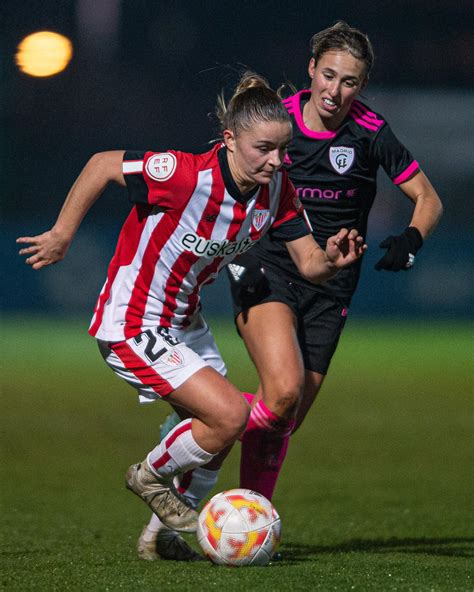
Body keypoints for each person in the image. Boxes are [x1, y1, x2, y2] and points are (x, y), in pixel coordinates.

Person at [17, 72, 367, 560]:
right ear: (229, 140)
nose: (277, 161)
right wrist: (61, 233)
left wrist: (334, 259)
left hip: (184, 322)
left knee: (218, 434)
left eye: (283, 150)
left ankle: (160, 537)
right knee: (230, 415)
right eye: (264, 149)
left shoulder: (276, 190)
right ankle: (147, 476)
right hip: (134, 320)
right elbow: (101, 165)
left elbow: (309, 263)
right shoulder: (182, 174)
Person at [149, 21, 444, 560]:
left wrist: (409, 238)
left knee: (282, 418)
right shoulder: (277, 120)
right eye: (328, 75)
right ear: (311, 70)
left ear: (362, 85)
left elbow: (428, 198)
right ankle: (218, 441)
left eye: (350, 82)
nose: (335, 90)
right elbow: (225, 166)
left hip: (332, 281)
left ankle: (236, 506)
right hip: (268, 263)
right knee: (280, 393)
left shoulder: (371, 132)